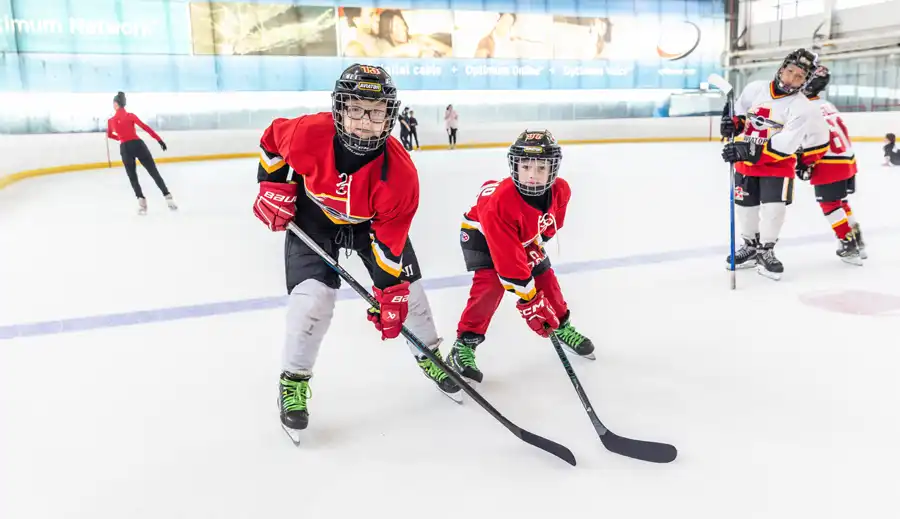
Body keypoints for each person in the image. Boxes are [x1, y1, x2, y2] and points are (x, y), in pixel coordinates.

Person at [252, 64, 461, 438]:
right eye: (356, 108)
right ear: (340, 109)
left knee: (409, 296)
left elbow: (389, 241)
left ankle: (429, 354)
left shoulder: (401, 175)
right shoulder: (307, 132)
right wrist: (272, 185)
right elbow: (272, 140)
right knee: (313, 301)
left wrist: (389, 290)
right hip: (314, 217)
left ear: (389, 117)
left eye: (377, 111)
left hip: (369, 226)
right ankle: (293, 381)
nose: (366, 121)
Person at [446, 130, 595, 385]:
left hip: (521, 235)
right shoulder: (500, 203)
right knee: (491, 284)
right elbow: (508, 263)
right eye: (526, 166)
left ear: (553, 168)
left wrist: (537, 246)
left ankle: (561, 326)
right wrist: (529, 302)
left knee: (545, 276)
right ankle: (463, 345)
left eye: (541, 167)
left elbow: (549, 225)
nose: (533, 175)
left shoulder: (561, 190)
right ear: (515, 166)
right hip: (481, 233)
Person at [720, 48, 829, 280]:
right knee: (745, 209)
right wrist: (732, 124)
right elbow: (740, 113)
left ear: (806, 80)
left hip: (777, 165)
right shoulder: (755, 88)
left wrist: (746, 149)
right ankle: (750, 247)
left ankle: (766, 250)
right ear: (782, 68)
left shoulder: (802, 107)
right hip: (745, 163)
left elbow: (787, 143)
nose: (792, 79)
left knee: (773, 210)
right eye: (790, 72)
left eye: (799, 76)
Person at [795, 65, 866, 264]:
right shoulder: (826, 104)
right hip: (847, 159)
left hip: (828, 161)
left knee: (829, 204)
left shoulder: (805, 108)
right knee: (841, 200)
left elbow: (815, 138)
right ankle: (856, 236)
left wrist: (804, 162)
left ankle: (848, 243)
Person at [106, 91, 176, 215]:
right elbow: (145, 127)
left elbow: (110, 135)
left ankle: (141, 202)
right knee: (153, 172)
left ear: (116, 104)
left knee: (133, 177)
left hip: (125, 148)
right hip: (138, 145)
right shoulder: (131, 116)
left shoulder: (111, 120)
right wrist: (159, 140)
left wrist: (121, 138)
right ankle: (168, 197)